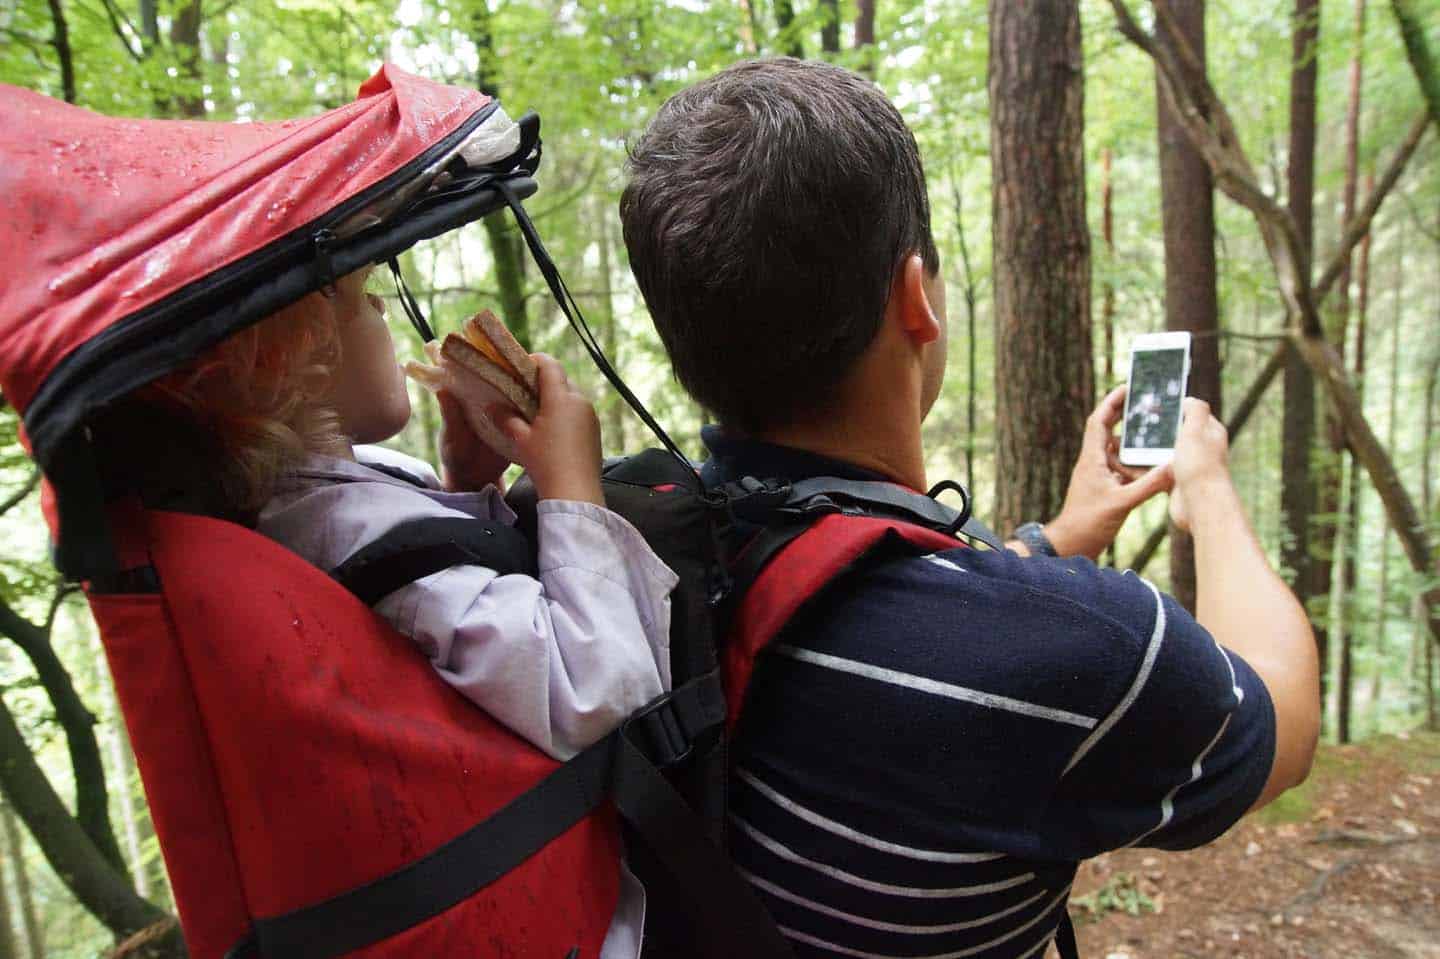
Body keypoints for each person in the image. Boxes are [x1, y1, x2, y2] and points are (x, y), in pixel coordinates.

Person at [620, 57, 1319, 958]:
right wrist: (1209, 490)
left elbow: (848, 586)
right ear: (917, 299)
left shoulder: (639, 543)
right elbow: (1285, 720)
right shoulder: (1089, 650)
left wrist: (1061, 537)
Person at [104, 264, 676, 959]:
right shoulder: (347, 531)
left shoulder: (313, 503)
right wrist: (571, 482)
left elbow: (436, 609)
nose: (384, 308)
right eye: (364, 295)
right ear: (289, 352)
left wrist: (468, 485)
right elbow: (589, 683)